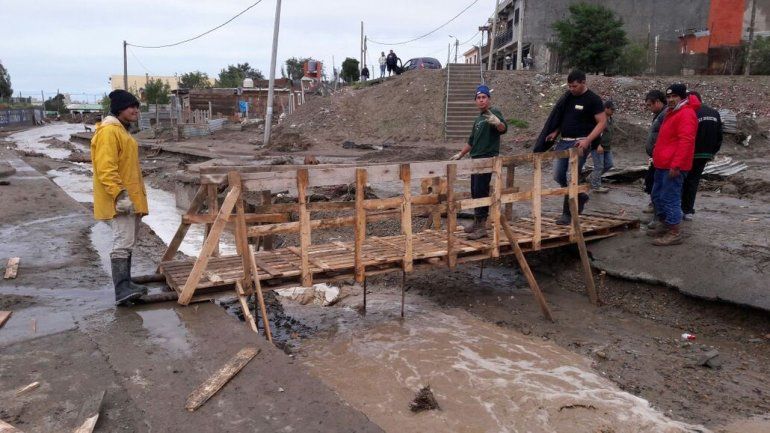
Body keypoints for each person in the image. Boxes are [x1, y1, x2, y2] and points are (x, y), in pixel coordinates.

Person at [91, 89, 150, 305]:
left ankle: (127, 283)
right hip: (121, 200)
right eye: (130, 106)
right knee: (122, 242)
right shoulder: (109, 131)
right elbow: (106, 168)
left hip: (130, 198)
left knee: (127, 241)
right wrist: (119, 195)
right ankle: (122, 289)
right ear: (119, 109)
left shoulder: (121, 131)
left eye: (136, 107)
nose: (135, 110)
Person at [535, 70, 606, 225]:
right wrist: (555, 131)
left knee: (571, 176)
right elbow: (562, 117)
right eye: (569, 86)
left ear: (583, 82)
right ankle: (579, 196)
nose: (571, 89)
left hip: (579, 144)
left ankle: (567, 213)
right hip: (563, 141)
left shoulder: (593, 100)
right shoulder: (568, 97)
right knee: (557, 174)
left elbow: (602, 122)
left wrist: (587, 140)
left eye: (574, 86)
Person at [449, 84, 508, 240]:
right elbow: (471, 141)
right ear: (475, 100)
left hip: (486, 159)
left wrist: (498, 123)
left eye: (484, 97)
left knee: (481, 190)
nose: (481, 100)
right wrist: (461, 154)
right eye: (479, 98)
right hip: (475, 160)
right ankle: (477, 222)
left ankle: (482, 227)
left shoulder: (493, 113)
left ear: (489, 99)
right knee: (475, 190)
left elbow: (503, 129)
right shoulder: (478, 119)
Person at [649, 84, 700, 246]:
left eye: (674, 96)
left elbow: (686, 141)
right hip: (662, 163)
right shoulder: (672, 112)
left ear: (682, 97)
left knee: (669, 197)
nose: (670, 99)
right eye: (669, 97)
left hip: (673, 165)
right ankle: (665, 224)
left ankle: (674, 232)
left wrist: (676, 165)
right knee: (657, 195)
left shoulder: (686, 114)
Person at [682, 91, 722, 220]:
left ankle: (681, 209)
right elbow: (719, 135)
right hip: (706, 154)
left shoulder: (691, 112)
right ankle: (688, 210)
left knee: (683, 180)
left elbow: (687, 134)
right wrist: (712, 152)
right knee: (693, 182)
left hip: (691, 153)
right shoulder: (714, 113)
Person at [643, 90, 669, 220]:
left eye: (650, 105)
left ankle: (658, 211)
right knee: (651, 180)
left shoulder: (665, 114)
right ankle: (655, 206)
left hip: (660, 156)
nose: (649, 108)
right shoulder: (659, 115)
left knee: (655, 182)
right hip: (655, 155)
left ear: (657, 102)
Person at [590, 100, 616, 193]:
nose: (613, 111)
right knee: (599, 166)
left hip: (607, 146)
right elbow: (595, 133)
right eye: (612, 109)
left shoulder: (610, 119)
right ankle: (595, 186)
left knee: (609, 164)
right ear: (605, 108)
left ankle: (593, 177)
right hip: (598, 146)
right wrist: (598, 145)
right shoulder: (600, 119)